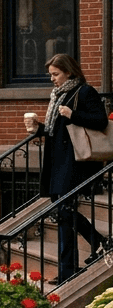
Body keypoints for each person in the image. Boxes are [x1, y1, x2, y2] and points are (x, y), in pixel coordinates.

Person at [25, 53, 112, 281]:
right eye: (51, 75)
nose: (52, 79)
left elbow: (100, 121)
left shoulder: (84, 92)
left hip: (75, 163)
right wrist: (39, 128)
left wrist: (74, 114)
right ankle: (76, 261)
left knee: (65, 211)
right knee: (63, 214)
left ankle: (85, 254)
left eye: (56, 74)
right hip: (57, 161)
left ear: (69, 72)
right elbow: (57, 131)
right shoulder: (58, 95)